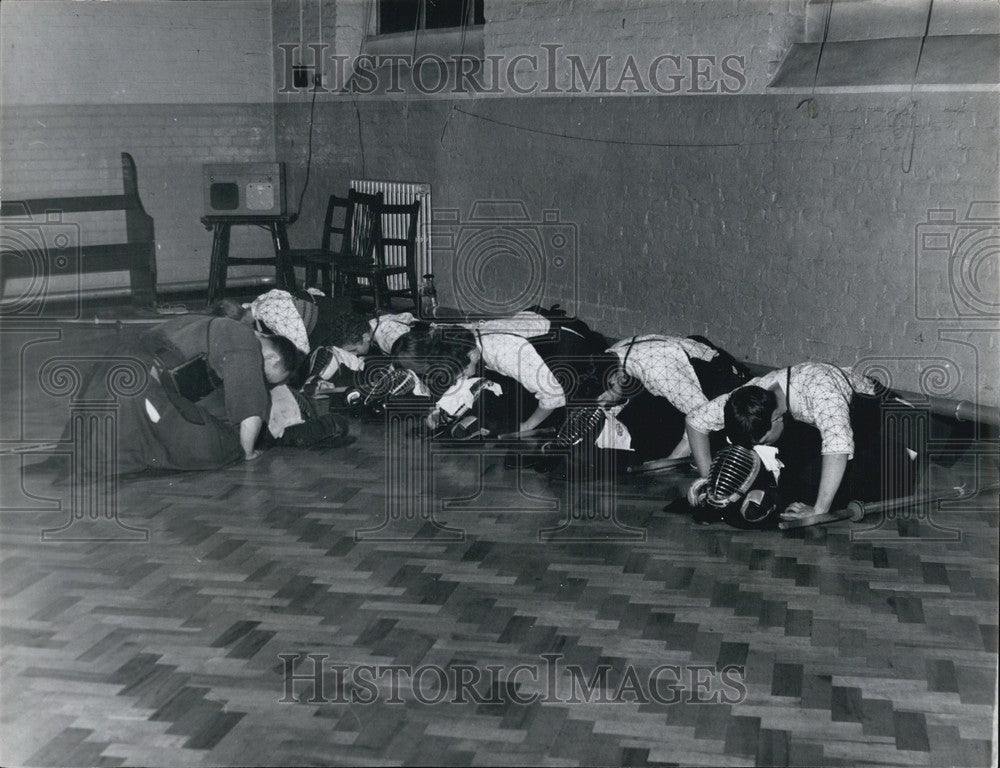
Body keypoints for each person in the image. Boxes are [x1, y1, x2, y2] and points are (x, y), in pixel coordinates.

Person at [43, 314, 301, 476]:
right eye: (265, 377)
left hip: (113, 373)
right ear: (271, 357)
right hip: (138, 385)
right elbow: (249, 410)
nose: (260, 380)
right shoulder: (246, 344)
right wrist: (247, 453)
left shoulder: (217, 326)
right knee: (226, 445)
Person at [684, 362, 917, 524]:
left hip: (894, 435)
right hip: (851, 430)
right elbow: (695, 421)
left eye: (762, 439)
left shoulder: (823, 394)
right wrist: (709, 481)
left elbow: (837, 449)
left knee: (823, 486)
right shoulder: (753, 392)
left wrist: (818, 511)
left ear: (776, 418)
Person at [602, 335, 751, 462]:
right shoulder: (614, 353)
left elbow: (700, 422)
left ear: (616, 378)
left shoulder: (660, 373)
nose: (603, 405)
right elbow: (621, 395)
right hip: (686, 373)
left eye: (603, 400)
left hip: (724, 386)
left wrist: (670, 462)